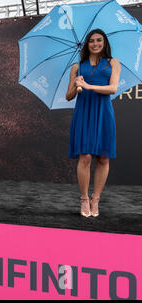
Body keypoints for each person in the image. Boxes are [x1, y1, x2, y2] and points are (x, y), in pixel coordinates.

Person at [65, 29, 121, 218]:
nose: (95, 43)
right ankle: (84, 199)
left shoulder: (113, 63)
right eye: (91, 41)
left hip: (103, 113)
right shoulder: (77, 67)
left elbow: (113, 88)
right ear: (87, 44)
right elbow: (68, 96)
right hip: (83, 113)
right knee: (85, 157)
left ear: (104, 43)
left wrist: (89, 86)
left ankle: (96, 198)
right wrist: (76, 83)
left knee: (103, 158)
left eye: (99, 40)